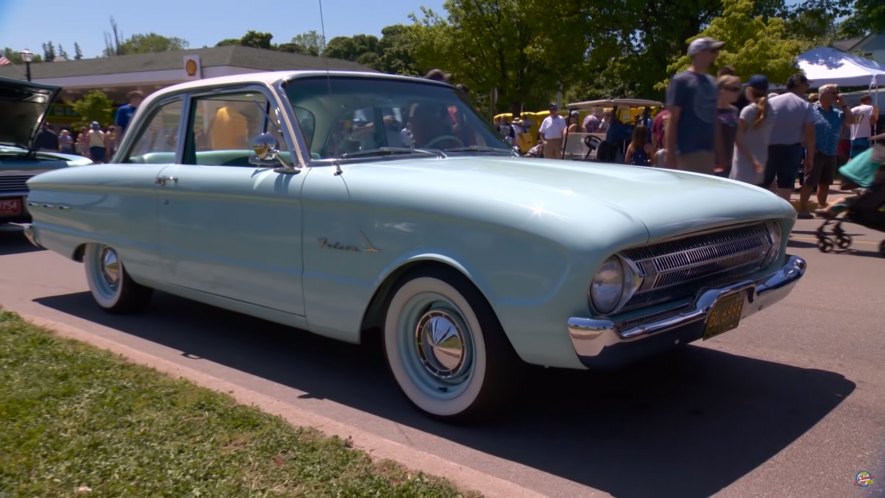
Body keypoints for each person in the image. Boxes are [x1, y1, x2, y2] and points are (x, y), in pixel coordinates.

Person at [665, 37, 724, 173]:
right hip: (687, 153)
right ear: (699, 53)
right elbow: (672, 120)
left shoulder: (712, 82)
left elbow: (714, 119)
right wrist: (670, 155)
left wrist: (721, 153)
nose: (716, 55)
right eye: (712, 51)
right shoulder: (681, 81)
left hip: (708, 153)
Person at [797, 83, 851, 218]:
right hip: (815, 151)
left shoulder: (837, 113)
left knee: (825, 182)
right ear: (822, 95)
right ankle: (802, 207)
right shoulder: (812, 111)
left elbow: (852, 120)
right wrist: (809, 147)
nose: (835, 95)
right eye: (832, 92)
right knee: (809, 182)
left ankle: (822, 207)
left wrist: (843, 104)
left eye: (836, 92)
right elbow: (802, 130)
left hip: (831, 152)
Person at [764, 73, 816, 203]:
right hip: (791, 149)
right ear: (799, 84)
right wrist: (810, 157)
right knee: (785, 186)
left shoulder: (771, 101)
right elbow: (810, 134)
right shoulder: (805, 105)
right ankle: (781, 214)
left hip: (768, 147)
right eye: (806, 85)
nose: (807, 87)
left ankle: (763, 212)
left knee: (764, 183)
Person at [730, 75, 774, 186]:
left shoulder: (748, 110)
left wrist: (752, 159)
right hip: (762, 158)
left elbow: (738, 139)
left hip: (744, 161)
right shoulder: (771, 110)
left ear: (749, 90)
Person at [715, 74, 741, 177]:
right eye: (734, 89)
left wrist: (752, 159)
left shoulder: (734, 111)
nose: (738, 92)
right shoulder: (709, 111)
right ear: (722, 90)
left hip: (730, 164)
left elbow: (739, 139)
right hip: (711, 164)